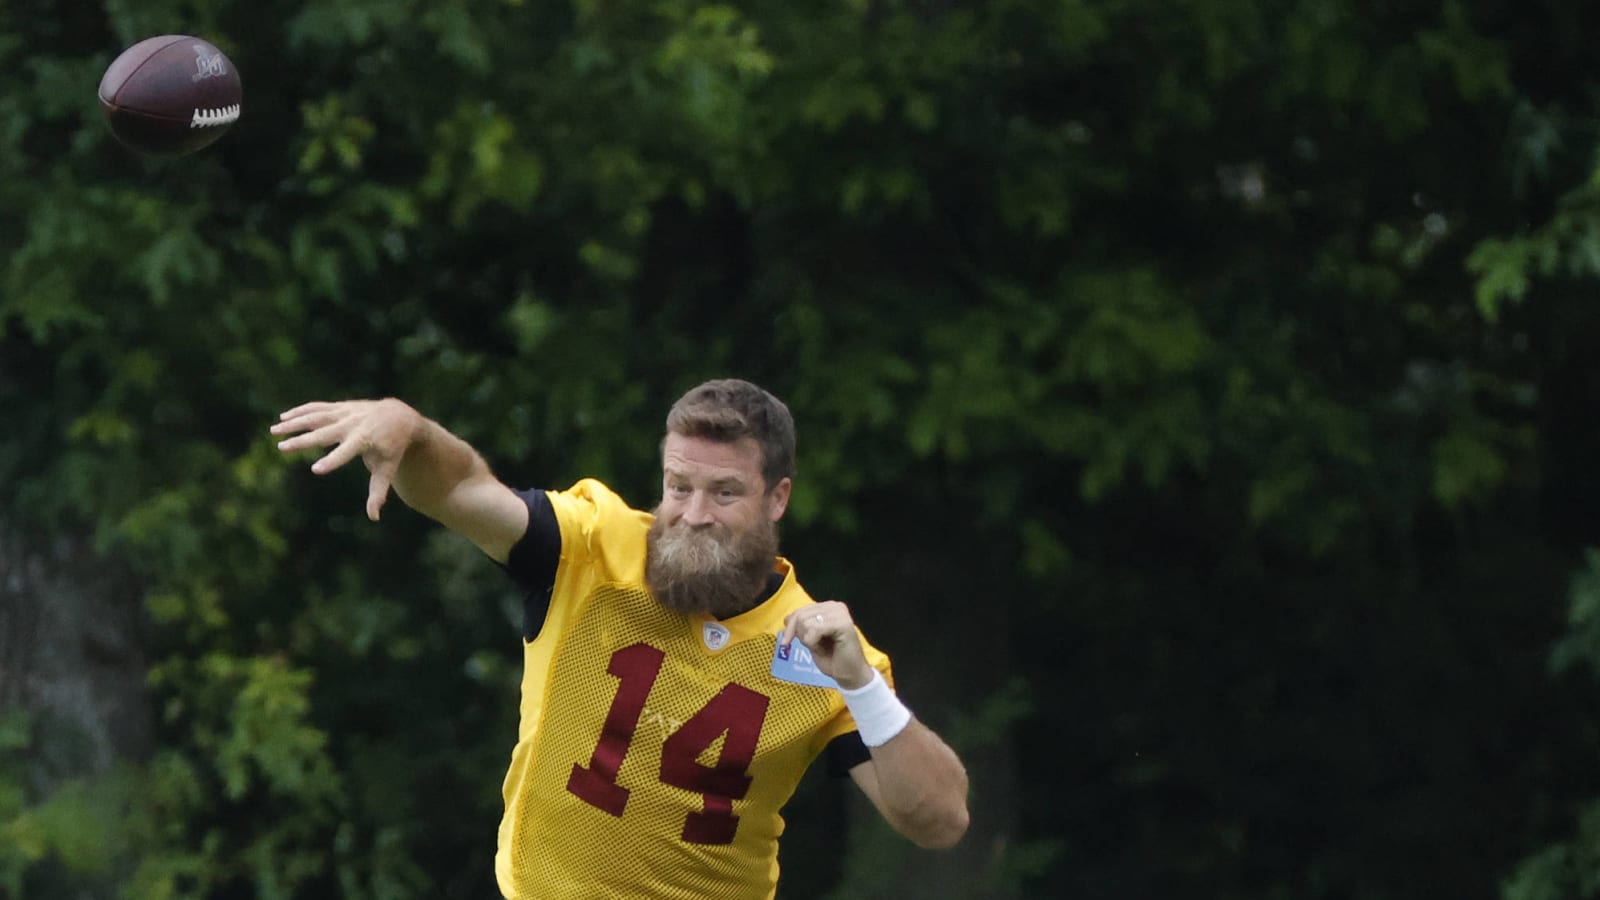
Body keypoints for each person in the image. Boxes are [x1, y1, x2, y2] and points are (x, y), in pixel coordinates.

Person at [272, 378, 969, 899]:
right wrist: (411, 427)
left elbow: (941, 822)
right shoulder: (592, 545)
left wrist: (863, 686)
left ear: (777, 499)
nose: (693, 514)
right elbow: (462, 490)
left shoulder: (818, 650)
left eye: (724, 493)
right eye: (678, 486)